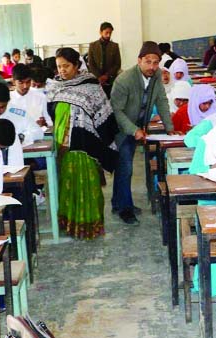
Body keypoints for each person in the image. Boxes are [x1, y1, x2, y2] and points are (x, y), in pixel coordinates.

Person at [46, 47, 119, 239]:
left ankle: (90, 227)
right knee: (67, 186)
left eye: (66, 66)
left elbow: (104, 113)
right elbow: (52, 114)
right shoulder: (55, 86)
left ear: (77, 65)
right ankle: (70, 225)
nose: (62, 70)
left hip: (87, 146)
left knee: (88, 186)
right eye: (59, 67)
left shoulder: (91, 87)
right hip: (63, 146)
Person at [110, 41, 179, 224]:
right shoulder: (124, 80)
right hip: (121, 129)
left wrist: (170, 128)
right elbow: (116, 111)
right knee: (126, 167)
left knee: (123, 167)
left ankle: (118, 203)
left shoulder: (156, 75)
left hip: (139, 127)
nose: (152, 66)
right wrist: (134, 130)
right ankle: (125, 209)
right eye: (148, 62)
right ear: (139, 60)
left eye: (156, 62)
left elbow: (162, 101)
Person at [88, 22, 122, 97]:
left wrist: (106, 76)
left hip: (111, 79)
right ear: (100, 32)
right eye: (106, 32)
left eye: (110, 33)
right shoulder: (92, 46)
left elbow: (117, 64)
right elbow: (91, 64)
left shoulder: (114, 46)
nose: (108, 35)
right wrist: (99, 77)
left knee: (111, 98)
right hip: (96, 79)